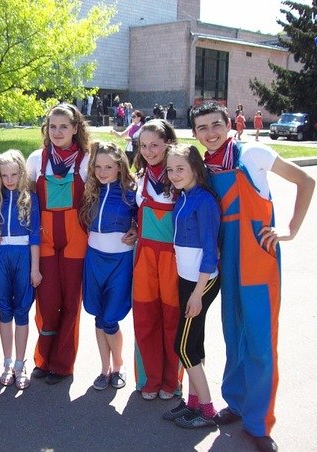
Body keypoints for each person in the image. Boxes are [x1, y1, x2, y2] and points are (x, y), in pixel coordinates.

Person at [190, 101, 315, 451]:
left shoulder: (253, 153)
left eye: (216, 125)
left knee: (260, 340)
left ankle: (259, 423)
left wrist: (290, 229)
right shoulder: (203, 167)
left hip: (258, 257)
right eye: (202, 128)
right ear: (195, 133)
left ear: (230, 124)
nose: (211, 133)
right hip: (224, 259)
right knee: (233, 333)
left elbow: (305, 180)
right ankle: (236, 402)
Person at [26, 103, 90, 385]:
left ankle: (63, 365)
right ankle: (43, 359)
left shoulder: (87, 160)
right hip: (46, 239)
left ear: (75, 128)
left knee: (71, 302)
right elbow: (25, 199)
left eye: (64, 126)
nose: (58, 132)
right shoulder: (36, 159)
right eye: (53, 126)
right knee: (48, 301)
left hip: (77, 238)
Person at [162, 144, 221, 429]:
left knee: (183, 346)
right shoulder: (183, 196)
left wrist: (198, 294)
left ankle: (208, 411)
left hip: (202, 282)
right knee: (194, 343)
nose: (174, 174)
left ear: (195, 168)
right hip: (186, 279)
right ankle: (193, 402)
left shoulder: (205, 201)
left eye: (180, 168)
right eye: (170, 169)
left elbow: (210, 251)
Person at [0, 150, 42, 390]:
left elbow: (35, 236)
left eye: (14, 174)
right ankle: (7, 363)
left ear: (21, 173)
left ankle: (19, 363)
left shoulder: (30, 198)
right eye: (4, 175)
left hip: (23, 257)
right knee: (4, 310)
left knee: (22, 310)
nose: (9, 180)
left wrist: (35, 269)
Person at [80, 141, 137, 391]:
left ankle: (118, 365)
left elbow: (144, 218)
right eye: (98, 167)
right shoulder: (90, 190)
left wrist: (136, 228)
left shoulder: (132, 191)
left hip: (120, 261)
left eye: (109, 167)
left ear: (120, 167)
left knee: (111, 318)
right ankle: (104, 369)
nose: (102, 172)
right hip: (94, 259)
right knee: (98, 316)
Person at [132, 119, 182, 401]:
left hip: (175, 259)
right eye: (143, 145)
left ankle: (172, 381)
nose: (149, 151)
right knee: (146, 318)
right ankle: (149, 379)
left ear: (168, 144)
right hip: (144, 259)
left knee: (173, 319)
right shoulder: (139, 178)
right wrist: (132, 227)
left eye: (155, 145)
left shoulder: (181, 175)